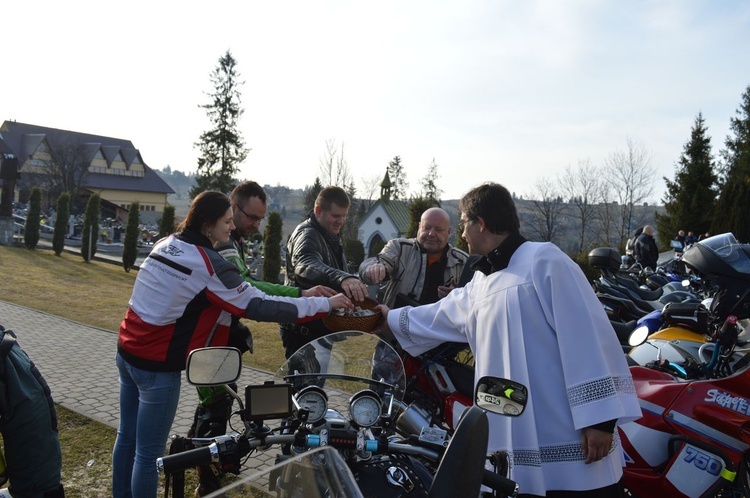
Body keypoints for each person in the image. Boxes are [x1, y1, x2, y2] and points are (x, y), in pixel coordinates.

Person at [371, 182, 641, 497]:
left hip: (565, 430)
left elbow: (588, 337)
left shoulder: (545, 261)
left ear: (480, 223)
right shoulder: (481, 282)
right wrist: (386, 317)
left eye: (463, 224)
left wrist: (602, 420)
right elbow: (437, 315)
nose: (462, 234)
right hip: (513, 424)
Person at [112, 190, 352, 498]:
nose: (230, 229)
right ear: (208, 224)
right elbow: (259, 305)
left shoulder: (167, 243)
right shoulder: (208, 264)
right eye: (226, 221)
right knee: (148, 455)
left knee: (126, 439)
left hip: (126, 351)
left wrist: (304, 296)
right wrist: (324, 305)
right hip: (156, 368)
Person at [188, 181, 338, 496]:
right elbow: (250, 291)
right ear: (233, 206)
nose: (256, 225)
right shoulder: (223, 243)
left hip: (219, 337)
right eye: (251, 217)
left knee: (215, 404)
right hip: (210, 340)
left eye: (261, 219)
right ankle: (207, 480)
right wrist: (301, 294)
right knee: (215, 407)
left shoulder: (232, 239)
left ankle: (188, 457)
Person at [280, 186, 369, 359]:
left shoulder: (329, 233)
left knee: (316, 385)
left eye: (344, 216)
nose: (341, 221)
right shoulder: (307, 235)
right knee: (305, 386)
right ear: (318, 211)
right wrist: (342, 278)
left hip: (320, 329)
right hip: (303, 332)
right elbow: (305, 264)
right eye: (336, 216)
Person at [358, 207, 470, 308]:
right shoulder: (400, 248)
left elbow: (474, 302)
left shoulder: (464, 261)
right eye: (427, 227)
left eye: (438, 229)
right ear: (419, 227)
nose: (431, 233)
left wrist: (458, 297)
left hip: (440, 330)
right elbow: (380, 261)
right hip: (395, 328)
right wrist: (373, 268)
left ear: (449, 232)